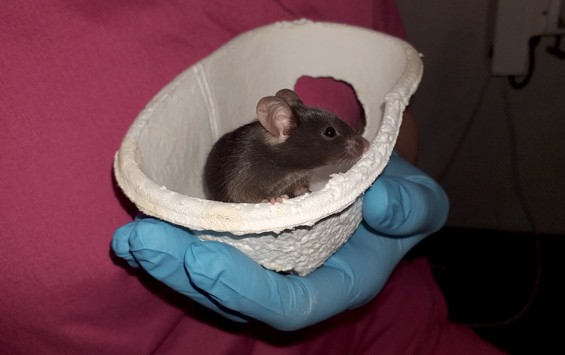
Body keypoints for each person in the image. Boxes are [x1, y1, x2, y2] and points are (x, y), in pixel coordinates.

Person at [0, 0, 505, 353]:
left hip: (398, 329)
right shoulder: (256, 157)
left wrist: (384, 169)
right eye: (335, 136)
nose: (352, 142)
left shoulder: (293, 140)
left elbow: (395, 113)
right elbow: (238, 189)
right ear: (280, 128)